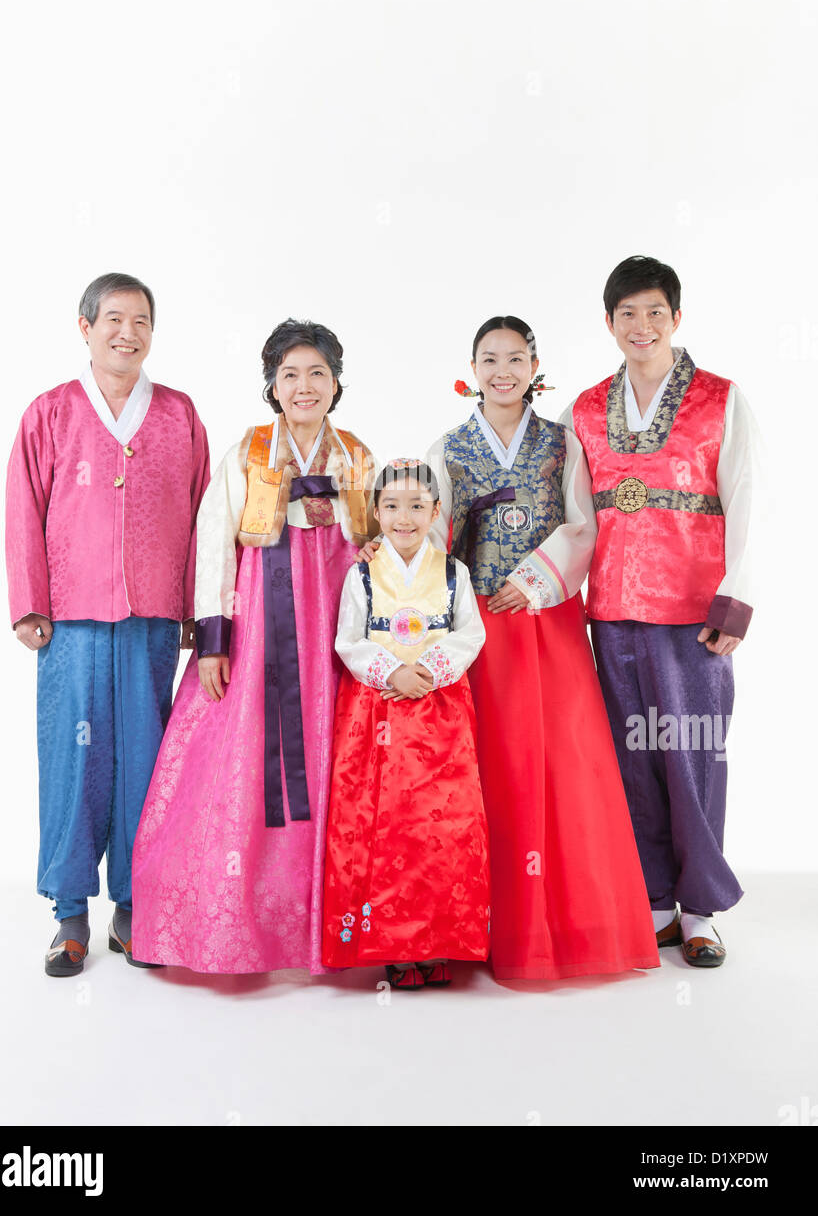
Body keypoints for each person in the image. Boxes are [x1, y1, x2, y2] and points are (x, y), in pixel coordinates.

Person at [131, 319, 377, 974]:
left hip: (333, 630)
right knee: (245, 757)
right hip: (262, 625)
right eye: (290, 375)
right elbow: (215, 541)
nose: (304, 387)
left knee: (333, 755)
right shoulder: (249, 451)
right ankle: (239, 921)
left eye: (317, 374)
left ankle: (332, 924)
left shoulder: (353, 454)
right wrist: (214, 639)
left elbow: (377, 545)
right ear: (272, 386)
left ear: (336, 383)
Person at [425, 316, 659, 981]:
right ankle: (483, 925)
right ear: (471, 368)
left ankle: (570, 925)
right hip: (478, 629)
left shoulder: (562, 444)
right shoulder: (448, 448)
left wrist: (531, 581)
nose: (503, 371)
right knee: (492, 764)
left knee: (562, 761)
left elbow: (582, 524)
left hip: (548, 619)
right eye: (490, 358)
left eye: (516, 358)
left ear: (535, 368)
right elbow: (434, 534)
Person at [5, 272, 210, 976]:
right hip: (72, 618)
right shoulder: (51, 413)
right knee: (73, 755)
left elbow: (203, 518)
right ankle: (68, 915)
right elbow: (22, 509)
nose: (129, 332)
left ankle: (133, 907)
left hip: (154, 616)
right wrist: (31, 603)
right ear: (85, 327)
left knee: (146, 760)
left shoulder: (179, 413)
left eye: (142, 320)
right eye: (114, 319)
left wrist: (193, 605)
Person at [563, 255, 757, 967]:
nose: (640, 326)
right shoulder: (584, 408)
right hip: (612, 609)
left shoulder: (720, 399)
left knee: (694, 754)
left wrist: (737, 599)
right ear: (609, 323)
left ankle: (701, 909)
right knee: (631, 759)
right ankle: (651, 902)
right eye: (626, 314)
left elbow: (747, 502)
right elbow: (577, 520)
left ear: (676, 317)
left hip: (694, 613)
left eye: (653, 312)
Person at [322, 461, 489, 991]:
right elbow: (348, 639)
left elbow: (471, 633)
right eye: (392, 505)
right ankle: (395, 945)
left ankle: (441, 941)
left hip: (440, 711)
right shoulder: (361, 573)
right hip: (378, 710)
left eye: (418, 505)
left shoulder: (453, 571)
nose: (404, 516)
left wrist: (431, 672)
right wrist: (393, 671)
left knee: (442, 827)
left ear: (436, 512)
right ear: (376, 512)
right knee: (387, 826)